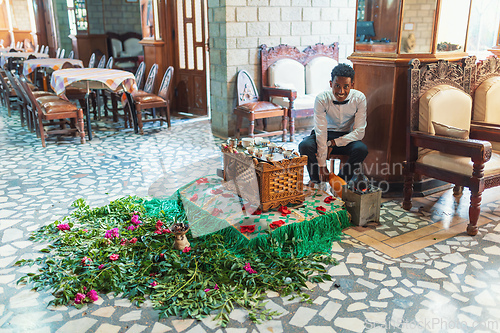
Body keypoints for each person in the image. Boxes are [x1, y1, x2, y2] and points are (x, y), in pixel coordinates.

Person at [298, 63, 368, 185]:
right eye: (337, 86)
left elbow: (359, 132)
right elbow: (321, 131)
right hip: (324, 134)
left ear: (352, 85)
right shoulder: (321, 98)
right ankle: (317, 182)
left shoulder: (359, 98)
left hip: (346, 137)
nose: (341, 91)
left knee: (361, 149)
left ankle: (339, 182)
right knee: (304, 145)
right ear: (331, 84)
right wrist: (322, 165)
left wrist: (333, 143)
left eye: (346, 86)